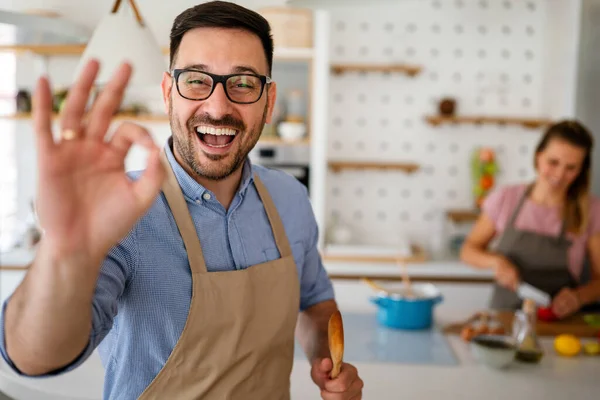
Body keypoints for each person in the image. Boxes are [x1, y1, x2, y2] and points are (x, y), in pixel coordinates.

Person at [0, 2, 363, 399]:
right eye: (195, 80)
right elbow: (34, 357)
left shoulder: (290, 198)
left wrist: (327, 361)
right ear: (167, 93)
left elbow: (315, 304)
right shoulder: (119, 212)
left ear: (269, 101)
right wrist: (64, 251)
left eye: (242, 83)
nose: (218, 106)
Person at [460, 120, 600, 317]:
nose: (560, 175)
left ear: (581, 171)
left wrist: (579, 297)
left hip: (559, 326)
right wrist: (496, 262)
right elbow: (468, 250)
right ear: (538, 156)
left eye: (571, 168)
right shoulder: (506, 198)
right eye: (553, 162)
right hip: (505, 320)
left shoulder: (592, 210)